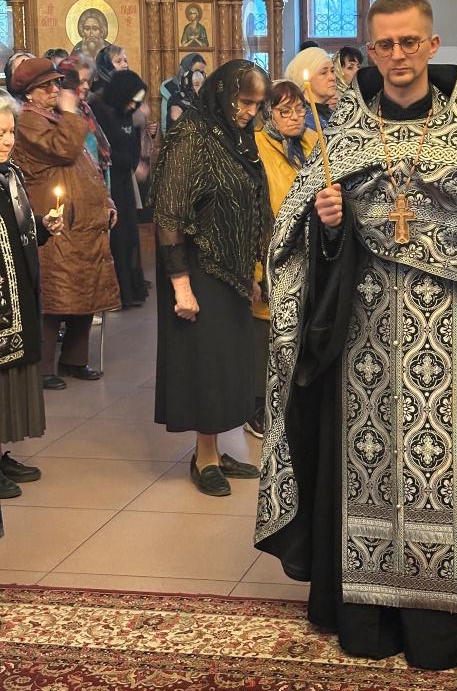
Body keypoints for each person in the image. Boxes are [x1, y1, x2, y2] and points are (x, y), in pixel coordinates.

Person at [254, 0, 457, 670]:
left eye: (409, 42)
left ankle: (439, 628)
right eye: (384, 45)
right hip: (358, 342)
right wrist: (329, 226)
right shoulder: (343, 137)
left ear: (431, 45)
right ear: (369, 52)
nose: (397, 56)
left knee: (447, 476)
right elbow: (295, 251)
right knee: (361, 469)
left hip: (451, 344)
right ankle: (365, 622)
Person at [151, 60, 270, 496]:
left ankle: (216, 450)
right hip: (198, 268)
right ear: (224, 93)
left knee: (228, 364)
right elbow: (169, 213)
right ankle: (204, 458)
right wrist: (180, 283)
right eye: (245, 102)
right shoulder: (192, 134)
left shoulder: (235, 136)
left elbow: (250, 203)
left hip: (230, 268)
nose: (250, 112)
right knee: (207, 365)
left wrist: (251, 269)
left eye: (257, 104)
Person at [11, 58, 121, 389]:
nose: (55, 90)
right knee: (55, 294)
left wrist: (106, 201)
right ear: (29, 94)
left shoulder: (56, 117)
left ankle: (75, 359)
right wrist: (72, 113)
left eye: (56, 83)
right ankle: (44, 367)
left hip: (83, 224)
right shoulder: (28, 121)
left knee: (84, 290)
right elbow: (63, 149)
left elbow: (87, 164)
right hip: (56, 222)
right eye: (46, 86)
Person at [0, 89, 63, 498]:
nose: (7, 141)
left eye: (10, 132)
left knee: (10, 376)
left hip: (17, 289)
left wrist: (43, 226)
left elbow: (17, 227)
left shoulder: (11, 175)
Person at [247, 80, 318, 439]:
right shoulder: (256, 147)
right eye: (284, 111)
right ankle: (258, 406)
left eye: (299, 109)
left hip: (308, 248)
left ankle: (296, 402)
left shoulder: (312, 142)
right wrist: (254, 269)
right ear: (268, 113)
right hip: (272, 250)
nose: (295, 117)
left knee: (302, 325)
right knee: (267, 331)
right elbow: (253, 211)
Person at [89, 70, 148, 308]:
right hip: (110, 182)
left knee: (130, 234)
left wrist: (134, 161)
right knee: (117, 237)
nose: (134, 105)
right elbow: (107, 148)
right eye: (133, 100)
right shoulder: (101, 112)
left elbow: (132, 145)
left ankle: (131, 290)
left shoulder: (127, 114)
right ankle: (117, 293)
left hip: (125, 180)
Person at [58, 55, 112, 185]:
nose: (86, 86)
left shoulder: (86, 109)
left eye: (88, 81)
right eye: (81, 81)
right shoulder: (60, 114)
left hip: (94, 178)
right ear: (68, 81)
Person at [285, 48, 336, 133]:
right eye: (323, 73)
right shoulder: (301, 120)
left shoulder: (332, 113)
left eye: (332, 71)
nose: (332, 78)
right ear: (305, 79)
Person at [160, 54, 207, 134]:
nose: (200, 76)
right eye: (197, 71)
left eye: (202, 72)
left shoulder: (203, 92)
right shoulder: (172, 92)